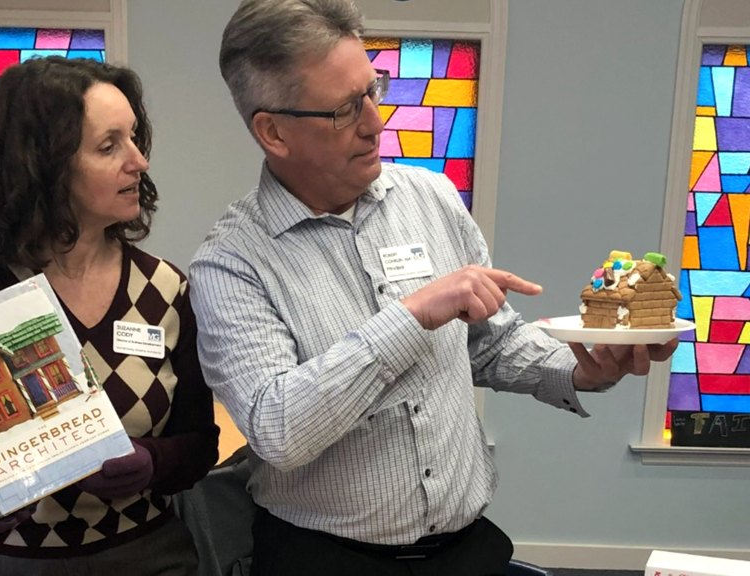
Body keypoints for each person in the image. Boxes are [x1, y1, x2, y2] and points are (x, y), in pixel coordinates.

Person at [189, 1, 678, 575]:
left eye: (372, 90)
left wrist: (582, 367)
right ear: (273, 132)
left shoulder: (431, 198)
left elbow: (490, 344)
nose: (375, 122)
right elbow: (278, 431)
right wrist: (411, 316)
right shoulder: (230, 263)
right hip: (325, 560)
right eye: (345, 110)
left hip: (465, 552)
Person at [0, 56, 219, 575]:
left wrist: (152, 464)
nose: (139, 161)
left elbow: (200, 444)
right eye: (109, 146)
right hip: (7, 560)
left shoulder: (165, 288)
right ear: (43, 164)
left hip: (147, 555)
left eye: (134, 138)